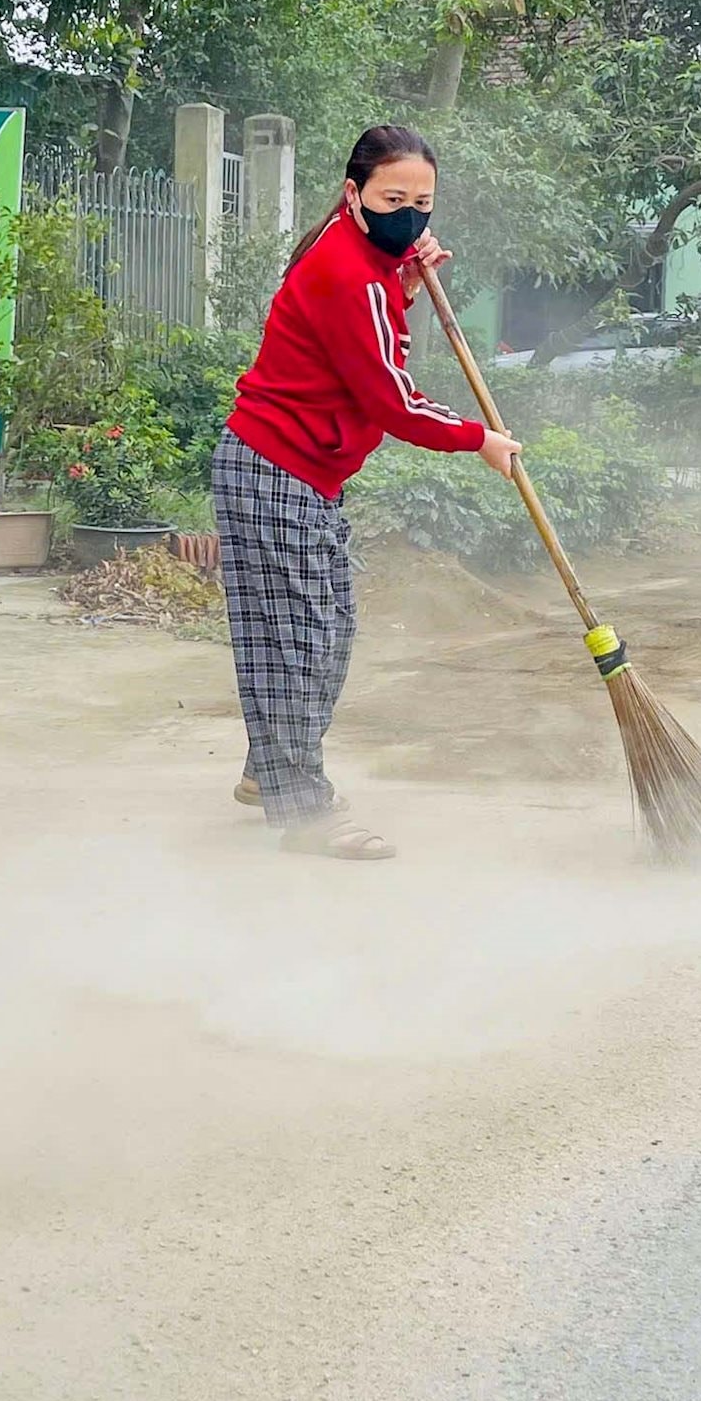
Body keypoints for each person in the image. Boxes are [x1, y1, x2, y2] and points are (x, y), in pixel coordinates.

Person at [216, 124, 521, 861]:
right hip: (272, 468)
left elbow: (368, 343)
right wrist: (476, 438)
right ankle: (304, 810)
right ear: (354, 195)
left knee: (328, 632)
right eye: (393, 198)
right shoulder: (347, 272)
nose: (409, 216)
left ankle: (270, 769)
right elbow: (391, 398)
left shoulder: (368, 264)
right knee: (297, 642)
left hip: (302, 474)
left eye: (422, 202)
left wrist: (407, 284)